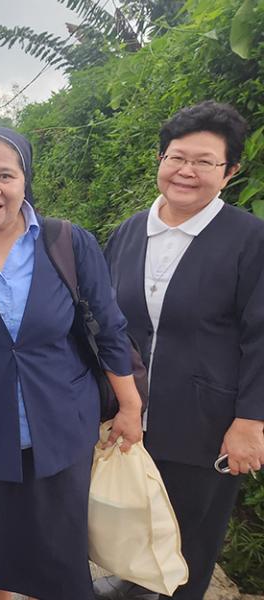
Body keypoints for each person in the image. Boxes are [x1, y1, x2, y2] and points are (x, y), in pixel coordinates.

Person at [0, 127, 143, 600]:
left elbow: (108, 327)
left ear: (25, 180)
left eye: (5, 175)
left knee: (59, 561)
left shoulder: (66, 241)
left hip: (60, 430)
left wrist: (129, 406)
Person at [97, 102, 264, 600]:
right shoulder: (128, 232)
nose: (186, 172)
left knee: (189, 542)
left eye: (205, 162)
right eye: (176, 157)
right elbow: (107, 325)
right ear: (160, 159)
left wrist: (250, 421)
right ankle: (132, 584)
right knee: (133, 522)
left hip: (207, 422)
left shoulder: (249, 239)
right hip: (130, 416)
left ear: (230, 172)